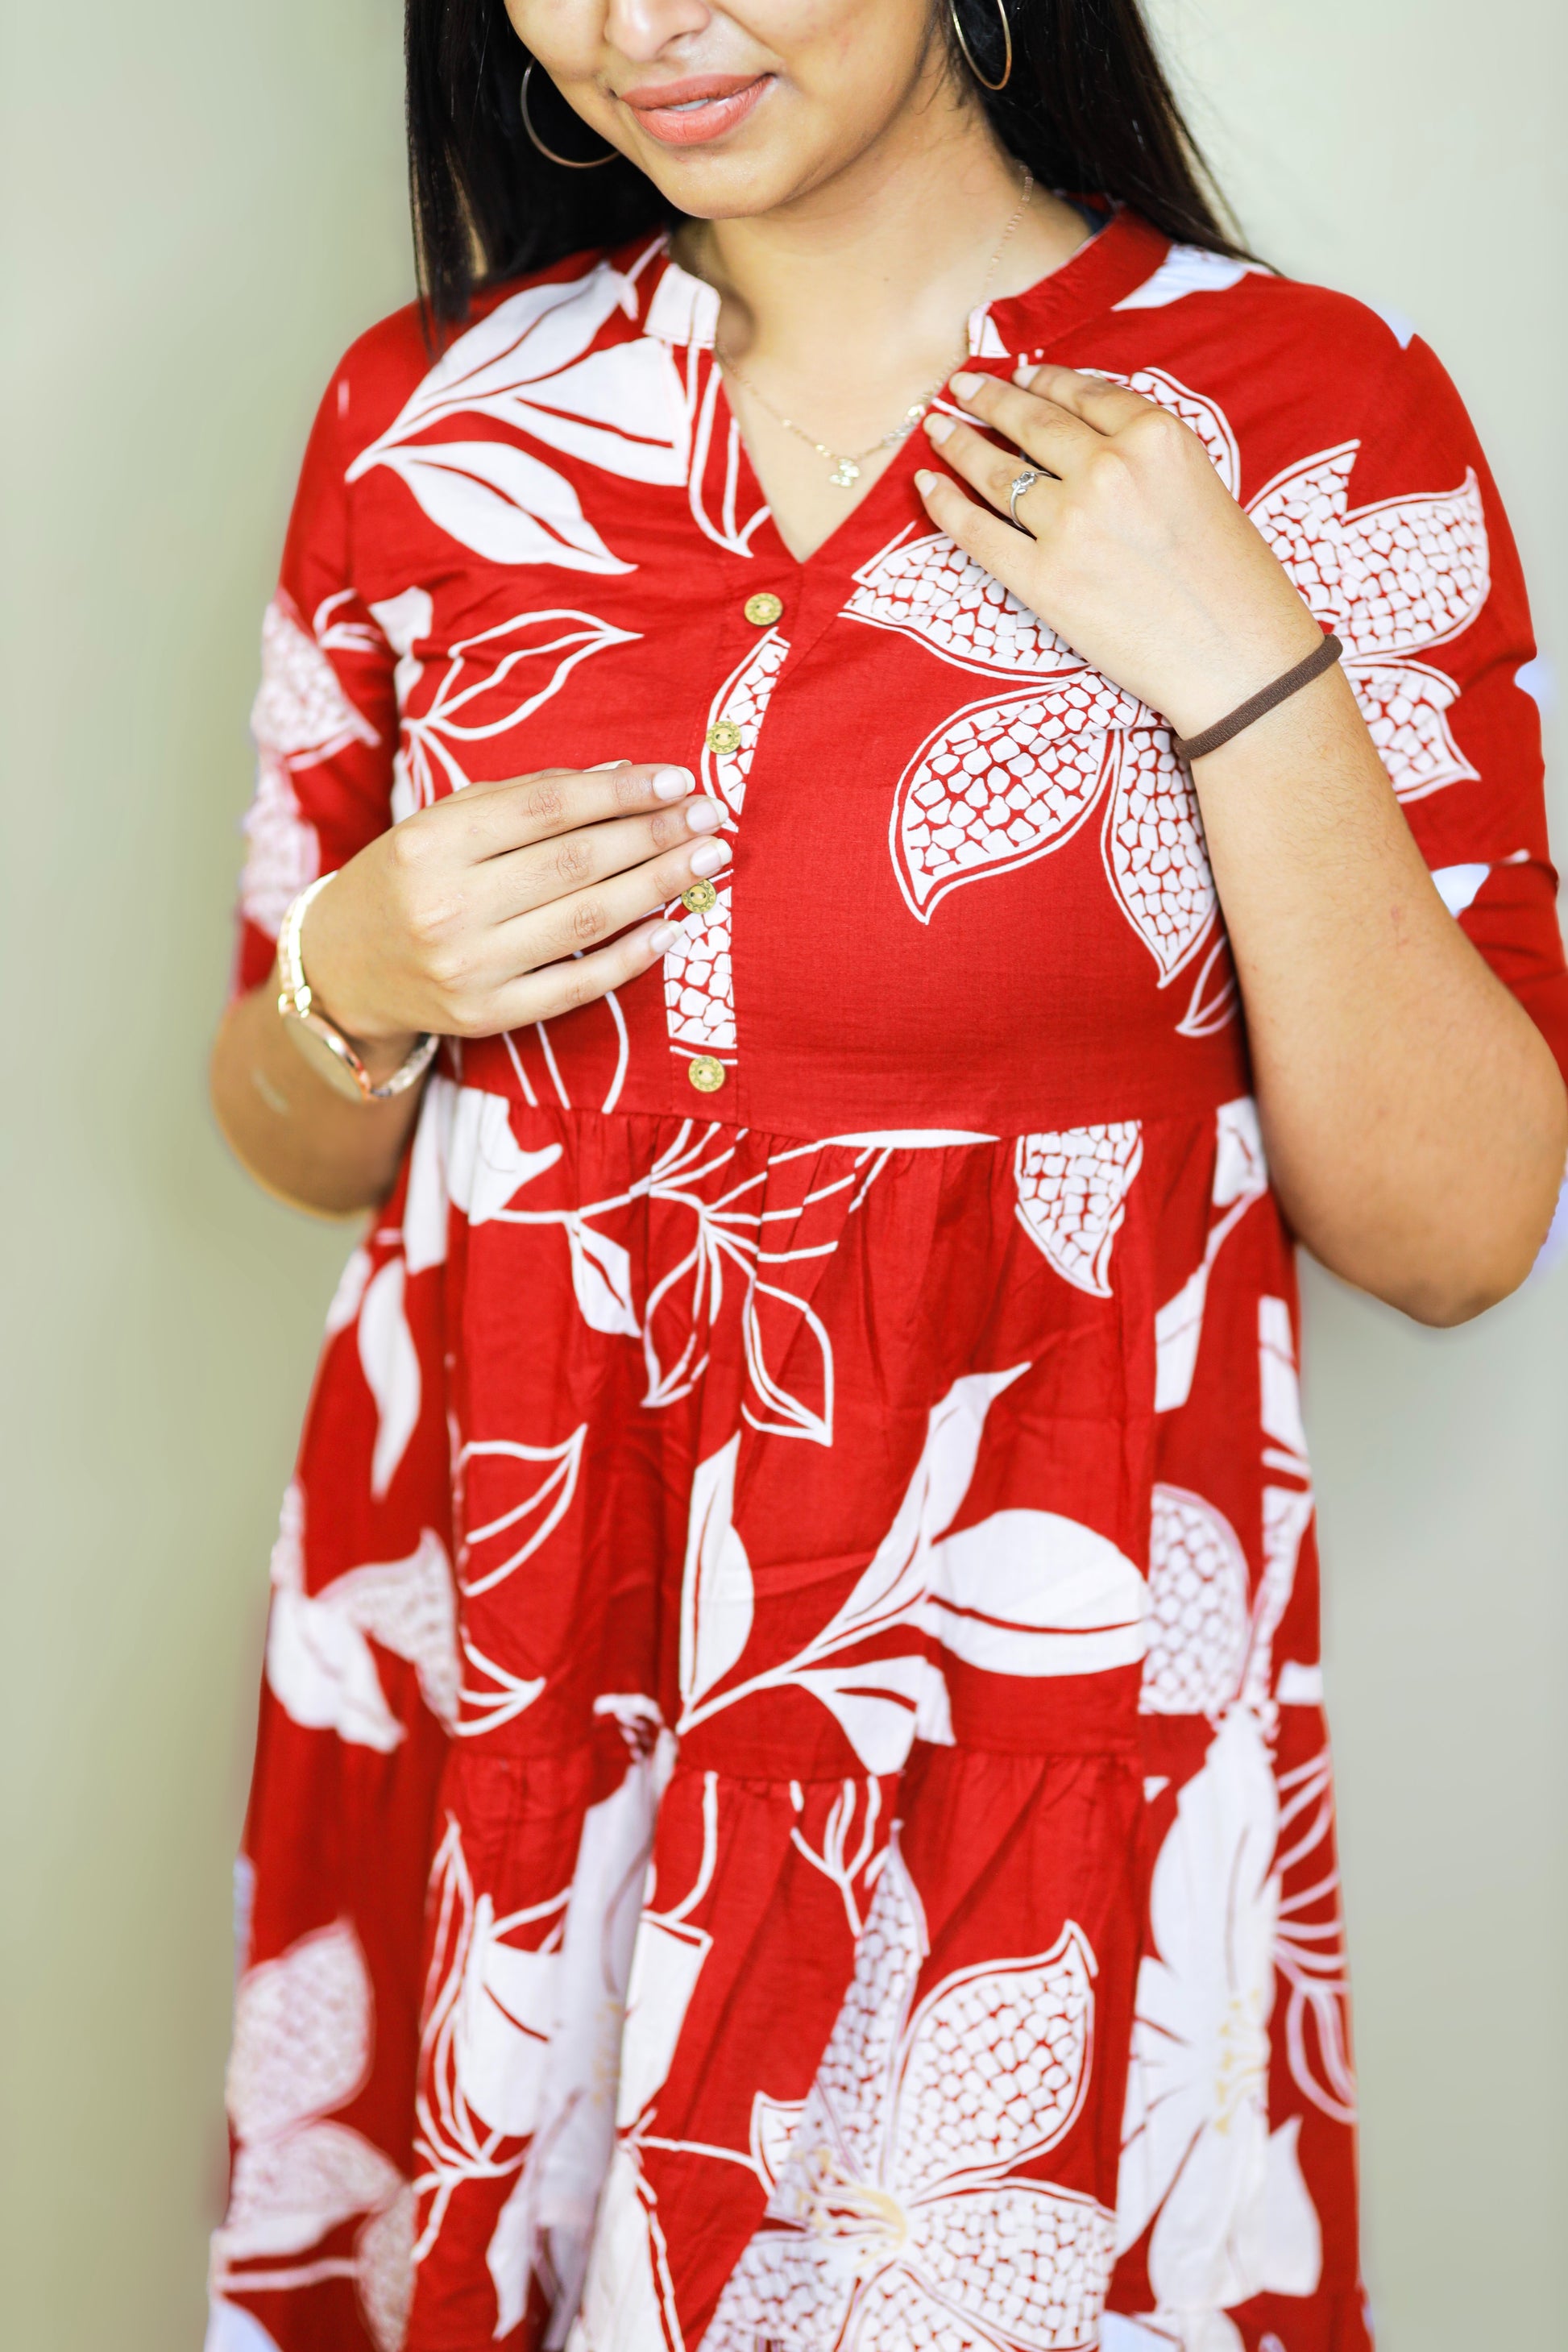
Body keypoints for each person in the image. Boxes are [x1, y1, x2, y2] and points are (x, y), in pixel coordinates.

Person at [205, 0, 1568, 2344]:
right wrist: (357, 966)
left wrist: (1242, 660)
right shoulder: (422, 418)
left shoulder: (1305, 409)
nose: (639, 27)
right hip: (512, 1684)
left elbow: (1454, 1234)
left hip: (1015, 1727)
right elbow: (291, 1135)